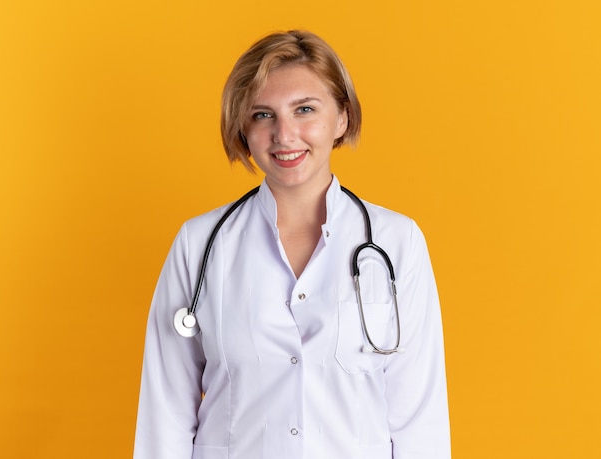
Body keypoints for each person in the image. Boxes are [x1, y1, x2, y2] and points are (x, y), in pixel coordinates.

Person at [134, 30, 450, 459]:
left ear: (342, 117)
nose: (285, 134)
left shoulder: (397, 242)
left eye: (305, 109)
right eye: (263, 115)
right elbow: (165, 410)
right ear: (242, 129)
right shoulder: (200, 243)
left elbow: (420, 417)